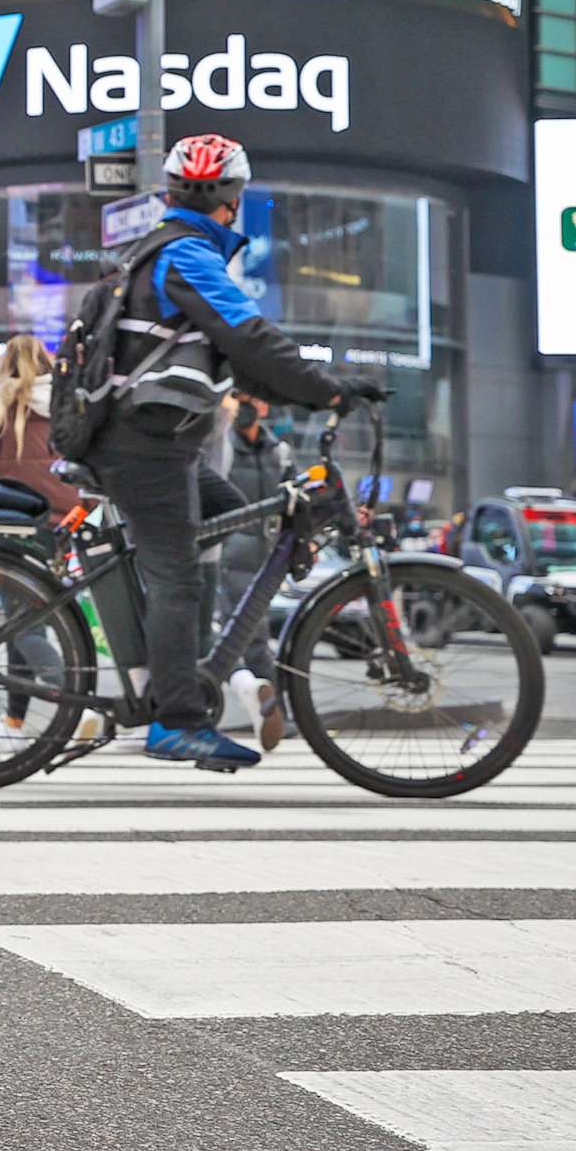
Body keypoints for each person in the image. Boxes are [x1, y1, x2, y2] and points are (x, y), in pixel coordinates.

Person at [96, 135, 377, 769]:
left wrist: (314, 396)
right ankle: (176, 719)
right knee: (179, 578)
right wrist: (328, 390)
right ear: (231, 199)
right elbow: (248, 334)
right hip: (145, 450)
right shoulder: (187, 256)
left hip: (165, 445)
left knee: (243, 511)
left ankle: (197, 669)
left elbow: (236, 364)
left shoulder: (172, 252)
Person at [0, 334, 80, 742]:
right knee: (28, 619)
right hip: (62, 528)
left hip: (14, 527)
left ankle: (74, 700)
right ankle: (14, 722)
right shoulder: (65, 405)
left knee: (24, 624)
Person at [202, 391, 294, 749]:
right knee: (241, 635)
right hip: (226, 550)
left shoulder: (277, 451)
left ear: (265, 406)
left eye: (251, 400)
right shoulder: (220, 443)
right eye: (237, 398)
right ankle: (262, 704)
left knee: (249, 636)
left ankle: (267, 707)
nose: (244, 407)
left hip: (263, 554)